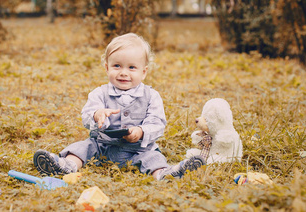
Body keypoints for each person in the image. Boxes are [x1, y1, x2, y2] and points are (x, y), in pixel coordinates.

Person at [33, 33, 207, 180]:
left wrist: (141, 131)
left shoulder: (151, 96)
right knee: (83, 147)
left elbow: (157, 123)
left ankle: (164, 174)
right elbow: (86, 114)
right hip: (103, 147)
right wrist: (97, 114)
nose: (123, 72)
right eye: (117, 66)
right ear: (107, 67)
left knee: (153, 157)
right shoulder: (99, 93)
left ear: (143, 72)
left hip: (138, 150)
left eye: (132, 67)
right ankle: (67, 165)